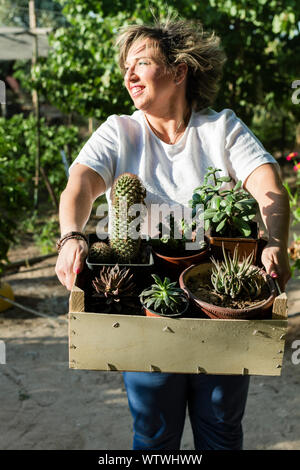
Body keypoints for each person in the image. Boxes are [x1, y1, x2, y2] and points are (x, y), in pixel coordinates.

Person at [55, 17, 291, 450]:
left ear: (179, 71)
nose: (129, 74)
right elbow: (79, 186)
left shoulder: (221, 128)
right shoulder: (118, 131)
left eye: (141, 62)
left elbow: (269, 185)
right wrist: (71, 236)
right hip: (144, 302)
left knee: (220, 429)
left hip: (221, 303)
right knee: (154, 434)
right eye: (126, 66)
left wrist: (275, 240)